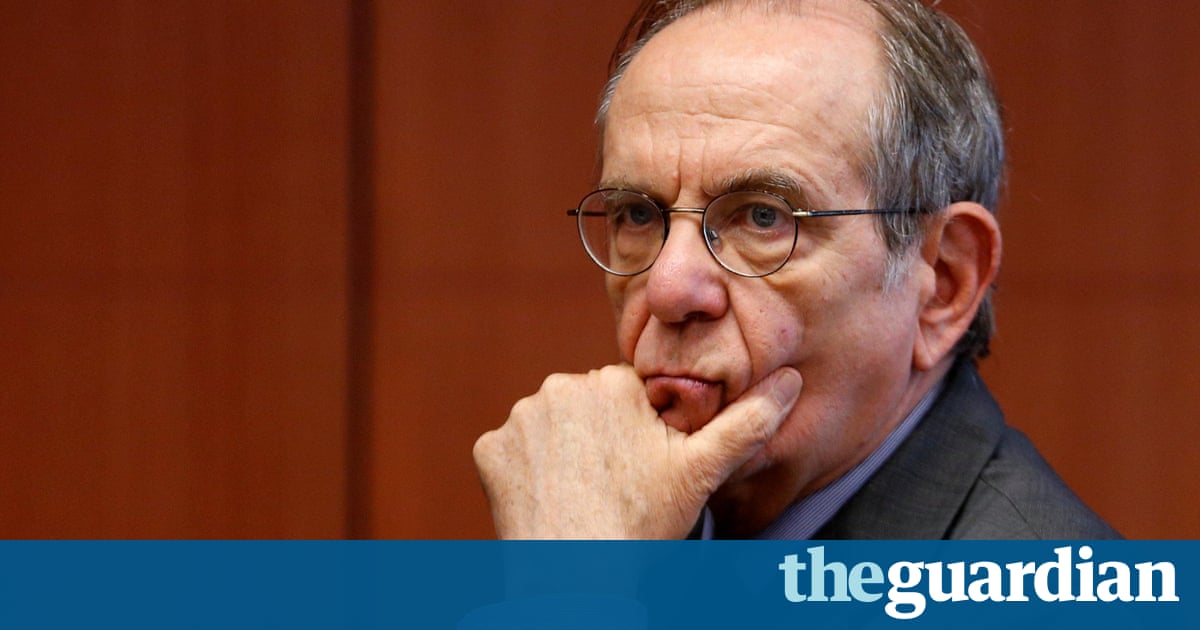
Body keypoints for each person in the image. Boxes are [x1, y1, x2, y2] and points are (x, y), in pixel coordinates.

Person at [473, 0, 1119, 540]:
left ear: (943, 284)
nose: (668, 289)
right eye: (638, 215)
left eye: (763, 218)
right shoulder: (617, 522)